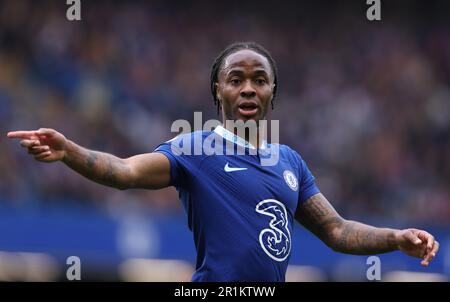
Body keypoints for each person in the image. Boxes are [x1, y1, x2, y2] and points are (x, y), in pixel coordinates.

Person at [7, 42, 439, 282]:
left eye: (259, 80)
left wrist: (395, 238)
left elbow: (337, 230)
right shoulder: (196, 148)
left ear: (273, 91)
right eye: (236, 80)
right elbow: (124, 172)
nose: (248, 88)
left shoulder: (289, 161)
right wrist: (70, 152)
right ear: (219, 92)